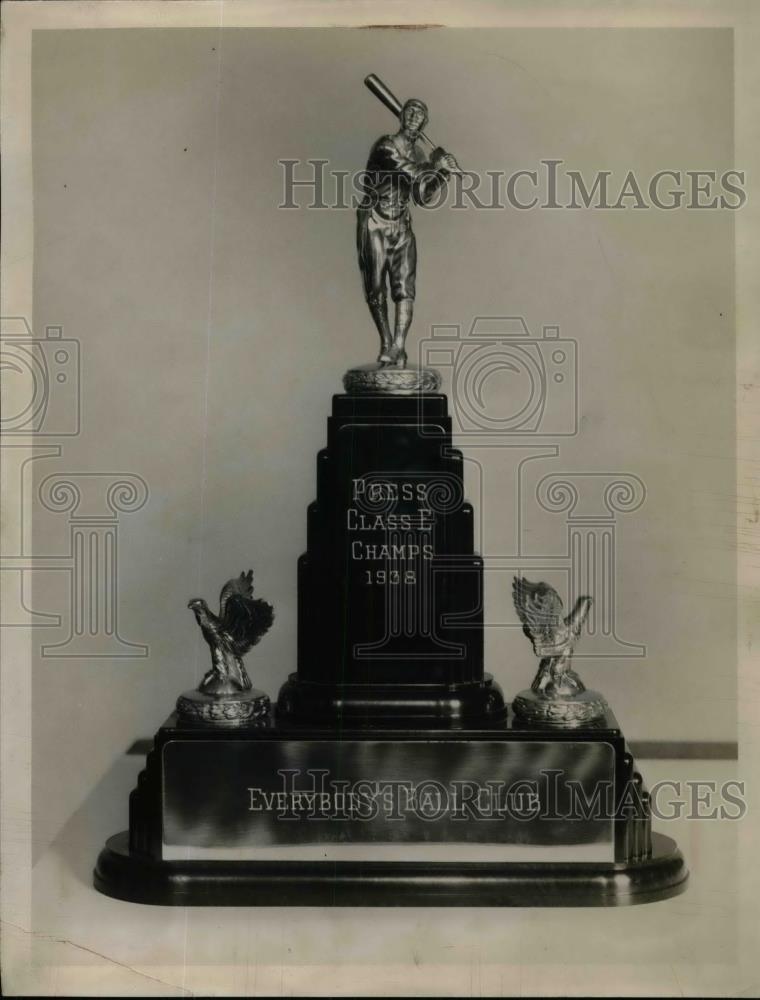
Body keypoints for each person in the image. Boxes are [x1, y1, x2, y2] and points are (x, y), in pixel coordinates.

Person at [357, 98, 460, 366]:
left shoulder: (420, 156)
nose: (415, 116)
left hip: (402, 222)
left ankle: (399, 346)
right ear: (402, 116)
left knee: (405, 287)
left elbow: (423, 196)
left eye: (421, 113)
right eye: (411, 111)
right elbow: (406, 170)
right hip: (375, 220)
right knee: (376, 286)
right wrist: (435, 167)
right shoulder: (385, 145)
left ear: (424, 122)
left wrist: (442, 175)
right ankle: (386, 342)